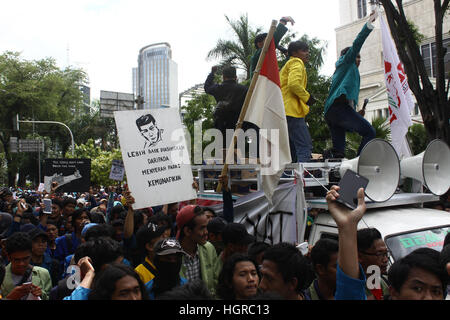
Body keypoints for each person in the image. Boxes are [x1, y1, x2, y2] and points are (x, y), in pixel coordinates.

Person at [323, 11, 378, 158]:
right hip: (338, 109)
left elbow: (346, 96)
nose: (358, 60)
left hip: (332, 112)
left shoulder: (341, 72)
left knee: (339, 153)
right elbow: (357, 43)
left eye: (360, 58)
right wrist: (369, 23)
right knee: (370, 132)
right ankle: (359, 164)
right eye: (357, 57)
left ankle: (337, 177)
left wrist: (354, 112)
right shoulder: (347, 62)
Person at [280, 40, 315, 163]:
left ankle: (287, 179)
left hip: (283, 111)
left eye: (307, 50)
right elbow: (293, 84)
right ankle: (300, 180)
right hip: (292, 111)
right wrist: (308, 98)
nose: (307, 53)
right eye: (304, 50)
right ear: (294, 53)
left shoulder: (287, 65)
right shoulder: (296, 62)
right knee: (304, 147)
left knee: (292, 151)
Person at [176, 205, 218, 296]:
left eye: (206, 227)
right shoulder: (172, 255)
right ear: (187, 231)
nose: (206, 232)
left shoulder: (209, 248)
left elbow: (216, 282)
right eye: (202, 228)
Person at [204, 65, 248, 147]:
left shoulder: (218, 88)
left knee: (222, 153)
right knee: (238, 152)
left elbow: (207, 87)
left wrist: (212, 73)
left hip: (221, 126)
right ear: (235, 77)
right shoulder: (244, 89)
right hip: (238, 126)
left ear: (223, 77)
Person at [1, 232, 52, 300]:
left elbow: (50, 296)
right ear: (8, 257)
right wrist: (10, 298)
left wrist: (41, 294)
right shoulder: (1, 276)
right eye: (17, 260)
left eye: (25, 258)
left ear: (31, 255)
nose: (21, 263)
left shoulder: (43, 274)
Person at [357, 227, 390, 299]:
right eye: (379, 254)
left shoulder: (389, 282)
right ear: (359, 256)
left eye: (386, 253)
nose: (385, 260)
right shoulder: (351, 290)